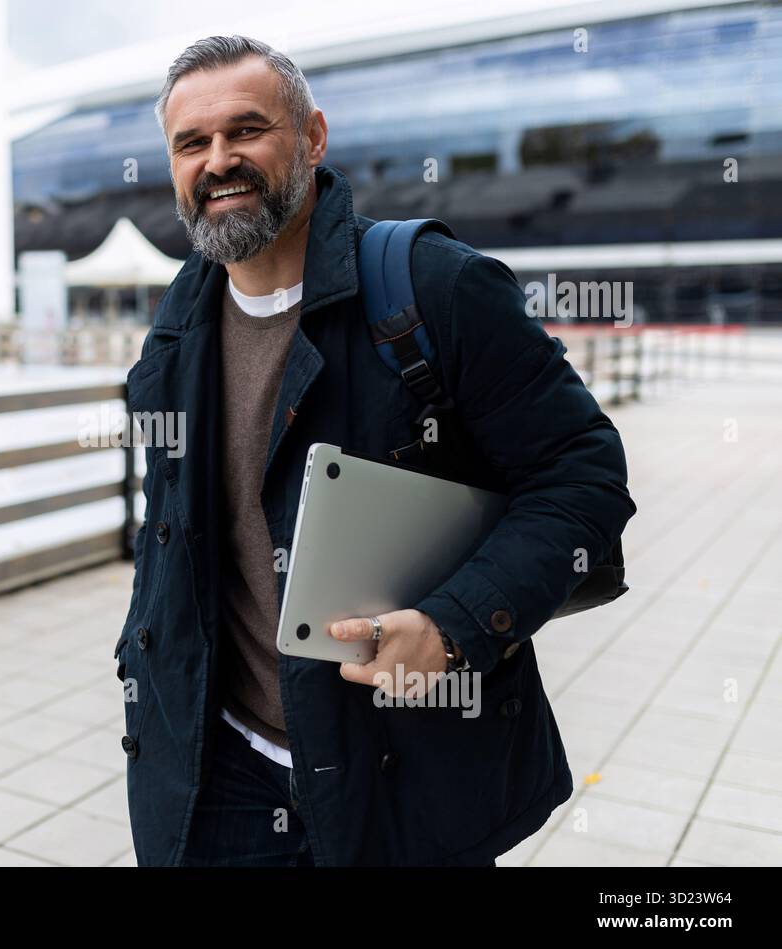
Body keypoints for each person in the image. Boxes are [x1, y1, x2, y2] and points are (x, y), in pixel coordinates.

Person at [115, 35, 637, 866]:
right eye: (192, 143)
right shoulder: (176, 328)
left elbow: (584, 478)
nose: (219, 161)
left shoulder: (434, 284)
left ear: (313, 138)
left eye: (247, 131)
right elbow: (174, 532)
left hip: (401, 772)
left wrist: (453, 626)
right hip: (218, 778)